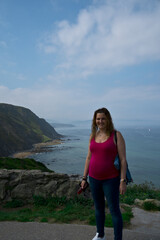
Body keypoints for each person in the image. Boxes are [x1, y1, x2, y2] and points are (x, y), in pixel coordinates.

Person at [81, 108, 127, 240]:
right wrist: (84, 178)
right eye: (98, 119)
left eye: (103, 118)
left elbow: (123, 160)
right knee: (98, 208)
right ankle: (100, 235)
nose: (100, 121)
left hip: (111, 180)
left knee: (114, 211)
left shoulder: (116, 135)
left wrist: (122, 181)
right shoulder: (93, 136)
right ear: (95, 121)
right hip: (94, 178)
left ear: (108, 120)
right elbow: (88, 158)